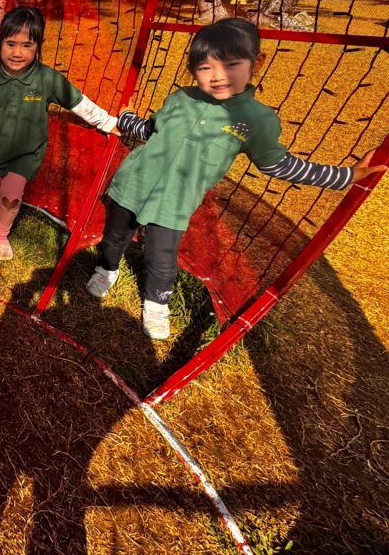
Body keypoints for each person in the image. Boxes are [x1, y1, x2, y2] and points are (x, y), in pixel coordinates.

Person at [89, 17, 388, 340]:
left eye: (232, 65)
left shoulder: (256, 120)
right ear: (193, 69)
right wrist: (127, 118)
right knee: (114, 237)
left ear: (257, 62)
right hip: (131, 186)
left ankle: (157, 303)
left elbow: (279, 165)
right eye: (205, 68)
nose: (218, 76)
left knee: (161, 257)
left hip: (174, 203)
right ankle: (107, 269)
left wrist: (345, 176)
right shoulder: (181, 98)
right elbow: (152, 130)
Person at [0, 6, 118, 260]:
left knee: (11, 197)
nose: (17, 53)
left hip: (27, 153)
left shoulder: (47, 79)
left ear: (38, 46)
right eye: (11, 44)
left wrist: (107, 122)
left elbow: (79, 103)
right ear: (0, 42)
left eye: (27, 45)